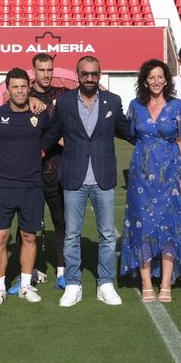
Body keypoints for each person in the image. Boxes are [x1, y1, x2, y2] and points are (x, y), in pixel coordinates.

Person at [55, 55, 133, 307]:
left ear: (100, 74)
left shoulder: (113, 100)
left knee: (108, 235)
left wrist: (152, 136)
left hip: (103, 177)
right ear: (77, 75)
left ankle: (105, 283)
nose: (90, 78)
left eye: (94, 74)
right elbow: (51, 133)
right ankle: (74, 284)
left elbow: (126, 129)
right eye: (85, 74)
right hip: (73, 177)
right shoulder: (65, 102)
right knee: (71, 235)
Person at [122, 59, 181, 302]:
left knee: (170, 228)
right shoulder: (135, 106)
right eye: (151, 77)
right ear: (144, 80)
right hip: (140, 178)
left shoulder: (177, 106)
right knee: (142, 227)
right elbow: (132, 135)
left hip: (171, 176)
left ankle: (165, 283)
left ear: (166, 80)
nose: (156, 81)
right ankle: (145, 283)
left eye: (160, 77)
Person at [0, 68, 61, 305]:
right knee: (0, 236)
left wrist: (42, 149)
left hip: (32, 185)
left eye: (23, 86)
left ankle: (26, 286)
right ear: (7, 89)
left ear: (29, 87)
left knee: (29, 236)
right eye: (15, 87)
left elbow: (54, 131)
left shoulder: (39, 114)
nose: (19, 91)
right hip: (3, 185)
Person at [27, 52, 68, 291]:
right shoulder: (23, 95)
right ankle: (32, 269)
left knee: (61, 221)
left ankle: (62, 270)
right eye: (41, 70)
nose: (46, 74)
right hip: (31, 170)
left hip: (58, 169)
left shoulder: (62, 96)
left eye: (49, 69)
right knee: (31, 222)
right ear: (34, 71)